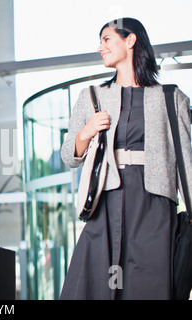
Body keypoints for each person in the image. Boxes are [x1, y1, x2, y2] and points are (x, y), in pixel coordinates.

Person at [60, 18, 192, 299]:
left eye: (106, 39)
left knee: (149, 286)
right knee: (96, 287)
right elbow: (69, 156)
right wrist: (86, 131)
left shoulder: (171, 98)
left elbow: (186, 165)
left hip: (154, 206)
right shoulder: (91, 96)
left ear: (130, 40)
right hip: (104, 203)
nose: (100, 47)